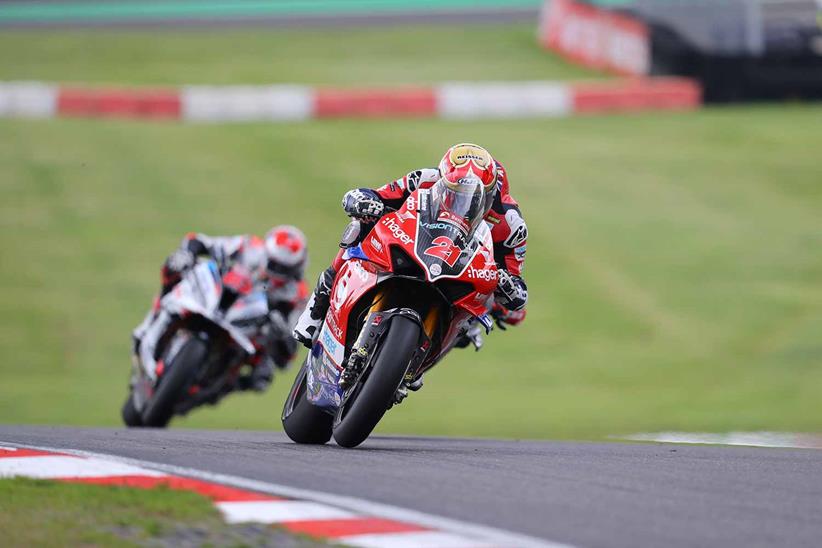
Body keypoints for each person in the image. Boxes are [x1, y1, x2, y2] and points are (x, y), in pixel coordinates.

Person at [293, 143, 528, 352]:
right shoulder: (425, 178)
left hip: (466, 266)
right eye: (454, 193)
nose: (463, 203)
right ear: (443, 180)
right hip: (420, 244)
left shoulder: (510, 221)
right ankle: (319, 302)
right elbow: (379, 195)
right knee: (361, 225)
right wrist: (363, 201)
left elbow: (517, 284)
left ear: (491, 194)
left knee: (477, 317)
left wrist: (509, 288)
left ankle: (422, 358)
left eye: (474, 197)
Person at [134, 225, 309, 392]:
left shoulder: (297, 294)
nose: (277, 271)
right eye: (274, 264)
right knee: (175, 266)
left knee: (262, 375)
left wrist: (281, 332)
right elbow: (202, 242)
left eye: (285, 268)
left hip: (248, 333)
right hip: (216, 301)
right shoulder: (249, 246)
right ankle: (152, 321)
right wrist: (188, 253)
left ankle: (223, 384)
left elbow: (290, 352)